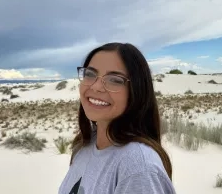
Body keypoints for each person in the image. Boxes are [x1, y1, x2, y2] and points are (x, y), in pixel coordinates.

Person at [58, 42, 176, 194]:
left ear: (136, 90)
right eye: (90, 74)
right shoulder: (85, 145)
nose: (96, 87)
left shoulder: (138, 168)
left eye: (114, 79)